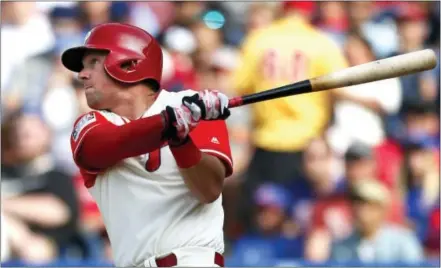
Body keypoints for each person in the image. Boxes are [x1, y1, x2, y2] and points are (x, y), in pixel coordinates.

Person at [61, 22, 233, 267]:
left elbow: (209, 190)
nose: (81, 74)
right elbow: (98, 147)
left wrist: (181, 141)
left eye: (93, 63)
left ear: (130, 64)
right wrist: (168, 124)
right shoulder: (92, 123)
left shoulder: (192, 104)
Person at [231, 1, 348, 231]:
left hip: (266, 140)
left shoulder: (259, 39)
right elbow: (340, 88)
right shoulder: (321, 42)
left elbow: (239, 85)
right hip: (306, 143)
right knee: (299, 219)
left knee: (261, 218)